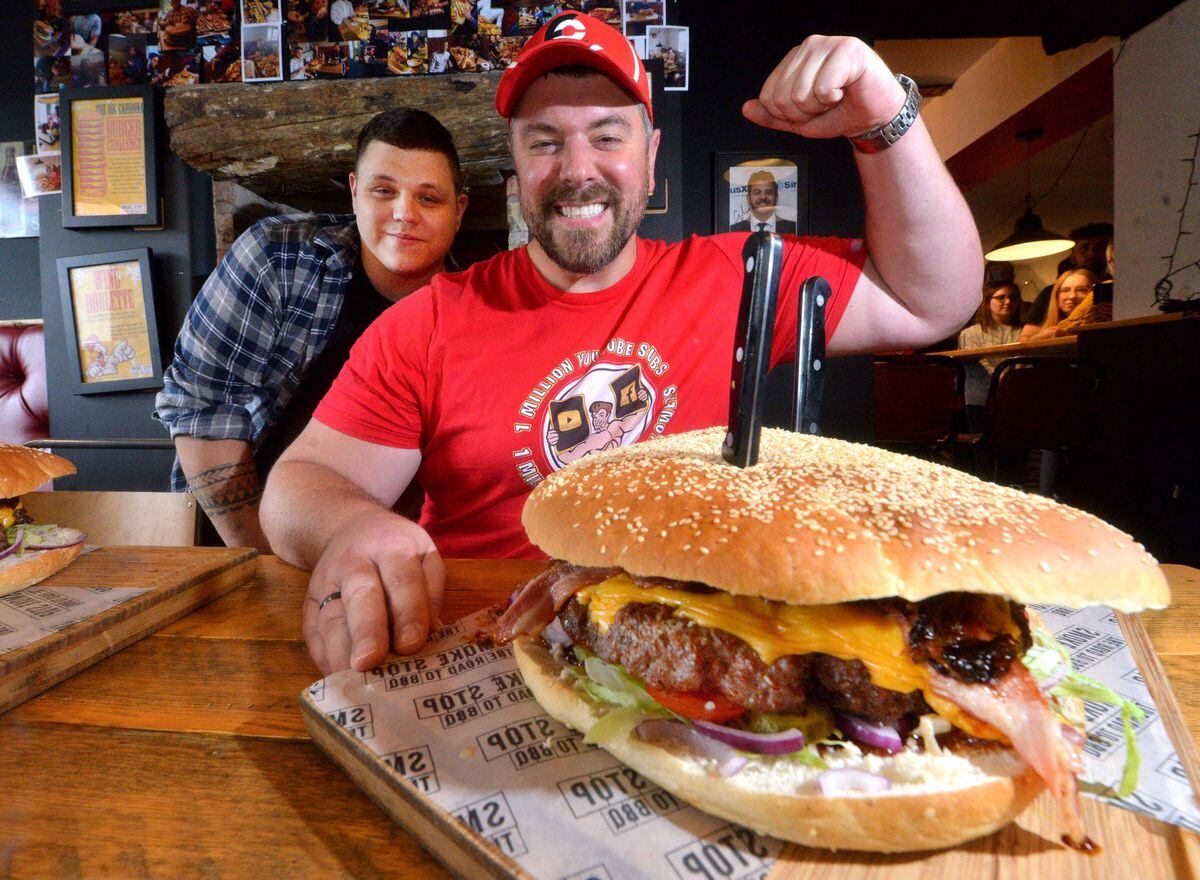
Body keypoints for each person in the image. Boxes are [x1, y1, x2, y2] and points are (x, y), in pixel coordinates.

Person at [259, 13, 983, 674]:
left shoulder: (737, 277)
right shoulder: (430, 321)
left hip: (699, 644)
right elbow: (299, 486)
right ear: (514, 164)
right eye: (545, 142)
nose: (578, 169)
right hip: (488, 653)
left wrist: (887, 119)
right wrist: (353, 527)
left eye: (607, 135)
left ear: (651, 151)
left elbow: (932, 302)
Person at [155, 109, 467, 553]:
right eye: (384, 191)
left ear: (460, 211)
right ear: (355, 193)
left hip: (390, 551)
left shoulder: (474, 310)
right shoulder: (277, 258)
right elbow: (203, 409)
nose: (404, 214)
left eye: (429, 199)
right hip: (240, 543)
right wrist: (262, 557)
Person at [957, 282, 1022, 428]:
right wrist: (1005, 379)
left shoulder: (1025, 331)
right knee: (983, 447)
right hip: (980, 399)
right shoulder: (971, 333)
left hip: (1016, 398)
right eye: (1001, 298)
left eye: (1013, 297)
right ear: (987, 302)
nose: (1008, 301)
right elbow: (979, 362)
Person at [1025, 222, 1112, 328]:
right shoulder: (1051, 292)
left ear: (1109, 253)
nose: (1092, 253)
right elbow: (1026, 339)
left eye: (1100, 247)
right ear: (1073, 256)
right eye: (1084, 248)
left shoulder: (1119, 289)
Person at [1019, 268, 1097, 341]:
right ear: (1056, 295)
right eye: (1065, 290)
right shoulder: (1048, 329)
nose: (1072, 296)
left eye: (1081, 290)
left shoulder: (1100, 323)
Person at [730, 170, 797, 234]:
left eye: (768, 192)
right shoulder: (734, 230)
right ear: (748, 198)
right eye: (757, 192)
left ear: (776, 198)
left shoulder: (792, 228)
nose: (763, 197)